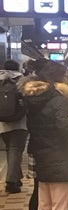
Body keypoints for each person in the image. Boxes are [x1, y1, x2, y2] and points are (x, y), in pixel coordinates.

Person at [20, 61, 68, 210]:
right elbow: (64, 128)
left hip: (40, 154)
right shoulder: (58, 100)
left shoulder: (33, 98)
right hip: (59, 156)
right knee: (60, 204)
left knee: (44, 203)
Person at [0, 60, 27, 193]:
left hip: (2, 123)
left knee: (10, 151)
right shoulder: (21, 80)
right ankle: (11, 183)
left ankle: (17, 178)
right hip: (19, 123)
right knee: (15, 151)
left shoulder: (1, 80)